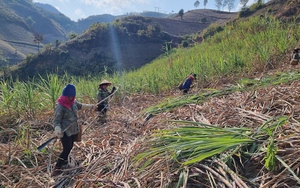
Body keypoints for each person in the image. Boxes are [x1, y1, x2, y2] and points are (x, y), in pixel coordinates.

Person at [52, 84, 95, 177]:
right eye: (69, 96)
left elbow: (81, 106)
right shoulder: (60, 106)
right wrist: (57, 129)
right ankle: (57, 167)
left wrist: (92, 106)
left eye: (72, 96)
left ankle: (65, 162)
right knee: (66, 148)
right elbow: (56, 121)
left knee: (70, 146)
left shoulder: (73, 103)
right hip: (65, 132)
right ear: (65, 95)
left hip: (73, 129)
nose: (71, 98)